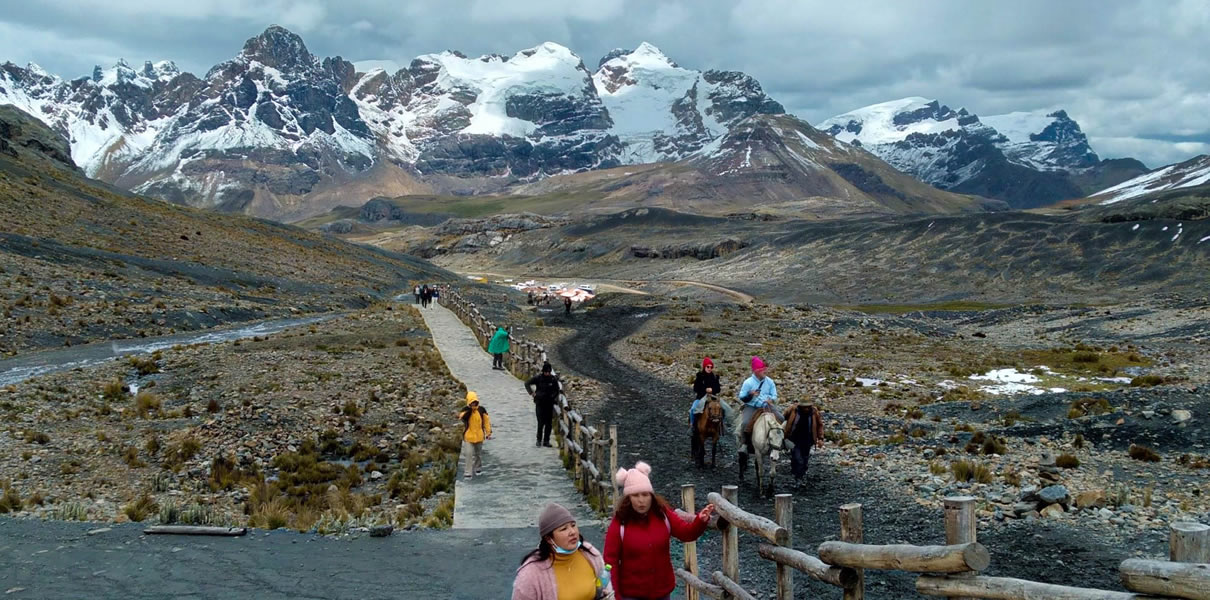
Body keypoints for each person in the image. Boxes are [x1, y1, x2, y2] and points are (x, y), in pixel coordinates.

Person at [604, 462, 714, 600]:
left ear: (651, 495)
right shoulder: (620, 523)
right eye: (635, 495)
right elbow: (610, 562)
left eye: (645, 494)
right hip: (631, 595)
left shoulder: (663, 515)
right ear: (628, 498)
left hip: (662, 593)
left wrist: (700, 521)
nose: (641, 500)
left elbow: (686, 533)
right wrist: (615, 595)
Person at [512, 503, 614, 600]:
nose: (572, 532)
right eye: (564, 529)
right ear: (548, 539)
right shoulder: (531, 573)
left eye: (573, 525)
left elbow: (605, 587)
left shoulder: (590, 554)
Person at [736, 356, 781, 455]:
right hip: (752, 406)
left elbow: (774, 395)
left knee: (781, 418)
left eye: (765, 369)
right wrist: (750, 394)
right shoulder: (748, 382)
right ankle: (745, 444)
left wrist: (771, 399)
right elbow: (742, 397)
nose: (765, 371)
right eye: (762, 370)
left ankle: (782, 441)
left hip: (766, 405)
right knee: (745, 423)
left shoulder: (770, 382)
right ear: (756, 371)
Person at [783, 401, 824, 486]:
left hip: (808, 439)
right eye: (804, 407)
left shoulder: (814, 412)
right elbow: (784, 417)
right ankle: (798, 477)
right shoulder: (793, 409)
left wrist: (820, 438)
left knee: (805, 458)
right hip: (794, 438)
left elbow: (820, 425)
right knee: (798, 458)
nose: (806, 409)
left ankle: (800, 473)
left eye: (808, 407)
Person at [457, 391, 492, 479]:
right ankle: (468, 472)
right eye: (472, 402)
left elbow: (486, 422)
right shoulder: (465, 410)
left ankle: (478, 468)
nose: (473, 403)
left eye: (474, 402)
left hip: (479, 436)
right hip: (469, 436)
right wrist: (469, 410)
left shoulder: (481, 410)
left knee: (478, 454)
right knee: (468, 454)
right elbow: (462, 417)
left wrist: (488, 432)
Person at [526, 362, 561, 448]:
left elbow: (557, 390)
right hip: (540, 403)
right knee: (540, 422)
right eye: (546, 372)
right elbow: (527, 383)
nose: (547, 373)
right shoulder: (538, 378)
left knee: (548, 423)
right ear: (543, 371)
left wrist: (553, 397)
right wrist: (532, 393)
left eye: (548, 372)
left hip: (549, 404)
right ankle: (538, 440)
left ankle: (546, 441)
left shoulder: (553, 379)